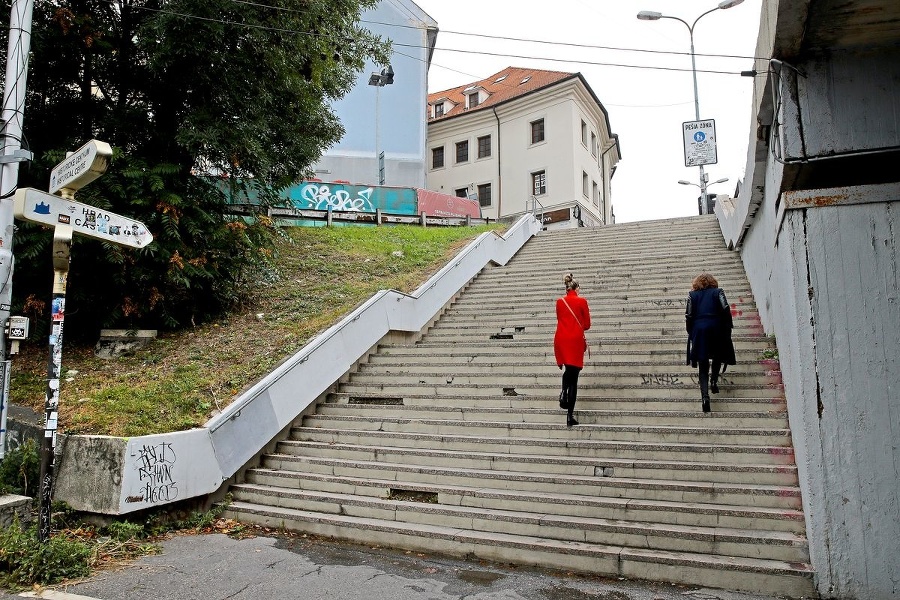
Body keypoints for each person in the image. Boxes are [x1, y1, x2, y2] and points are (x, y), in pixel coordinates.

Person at [685, 273, 736, 413]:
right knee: (717, 355)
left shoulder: (692, 295)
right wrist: (728, 326)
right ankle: (713, 380)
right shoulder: (718, 292)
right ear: (713, 282)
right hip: (717, 327)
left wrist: (691, 331)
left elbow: (688, 315)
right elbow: (725, 308)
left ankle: (705, 398)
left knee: (703, 363)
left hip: (699, 330)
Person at [554, 273, 591, 427]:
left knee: (568, 370)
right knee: (574, 377)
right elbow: (587, 325)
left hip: (561, 338)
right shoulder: (582, 301)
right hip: (575, 340)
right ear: (576, 288)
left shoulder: (559, 302)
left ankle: (563, 392)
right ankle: (570, 416)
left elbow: (560, 319)